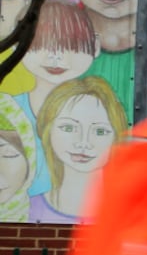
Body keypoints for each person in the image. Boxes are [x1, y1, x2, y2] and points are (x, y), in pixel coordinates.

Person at [30, 76, 125, 223]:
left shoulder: (127, 214)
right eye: (69, 128)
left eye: (100, 131)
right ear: (47, 129)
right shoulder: (28, 209)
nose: (83, 143)